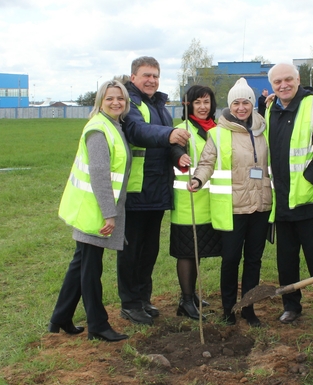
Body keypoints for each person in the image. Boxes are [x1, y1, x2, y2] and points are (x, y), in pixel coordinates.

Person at [50, 80, 131, 342]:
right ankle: (98, 324)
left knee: (80, 264)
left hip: (94, 207)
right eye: (110, 99)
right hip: (94, 210)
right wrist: (110, 213)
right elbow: (98, 174)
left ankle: (60, 317)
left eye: (120, 98)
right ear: (100, 101)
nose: (116, 102)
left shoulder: (113, 125)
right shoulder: (99, 129)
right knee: (90, 269)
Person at [188, 78, 272, 327]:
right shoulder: (218, 133)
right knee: (231, 259)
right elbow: (206, 163)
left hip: (261, 204)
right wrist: (197, 180)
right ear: (230, 105)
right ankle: (228, 309)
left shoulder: (265, 130)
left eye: (246, 102)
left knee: (254, 260)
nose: (241, 107)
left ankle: (248, 308)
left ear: (252, 104)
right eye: (236, 102)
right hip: (234, 207)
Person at [117, 56, 191, 326]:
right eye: (146, 75)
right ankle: (129, 303)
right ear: (133, 77)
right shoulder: (130, 103)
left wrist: (178, 155)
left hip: (157, 189)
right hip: (136, 189)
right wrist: (169, 135)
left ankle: (143, 299)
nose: (151, 80)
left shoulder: (158, 104)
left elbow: (167, 139)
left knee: (149, 250)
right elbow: (137, 131)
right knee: (131, 250)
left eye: (155, 76)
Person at [266, 63, 313, 329]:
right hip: (281, 201)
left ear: (298, 80)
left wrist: (307, 181)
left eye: (288, 80)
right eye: (277, 82)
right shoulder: (271, 108)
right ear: (271, 86)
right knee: (286, 261)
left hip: (311, 201)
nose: (283, 85)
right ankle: (291, 306)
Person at [169, 86, 222, 320]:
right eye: (197, 102)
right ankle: (186, 300)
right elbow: (172, 152)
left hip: (210, 202)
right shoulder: (182, 130)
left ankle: (191, 296)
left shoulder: (218, 129)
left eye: (206, 102)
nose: (202, 106)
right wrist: (179, 155)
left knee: (197, 251)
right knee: (187, 253)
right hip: (187, 201)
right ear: (187, 104)